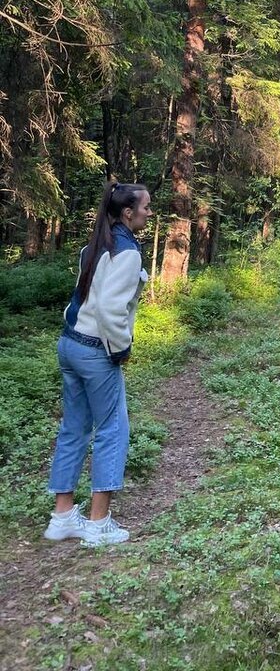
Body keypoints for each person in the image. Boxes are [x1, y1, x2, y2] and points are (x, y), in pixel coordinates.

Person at [44, 181, 152, 547]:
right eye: (146, 208)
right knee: (112, 429)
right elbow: (109, 308)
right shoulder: (128, 253)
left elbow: (82, 296)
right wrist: (120, 349)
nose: (149, 214)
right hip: (95, 349)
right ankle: (98, 522)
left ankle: (62, 516)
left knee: (74, 428)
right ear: (128, 213)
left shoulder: (95, 244)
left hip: (69, 343)